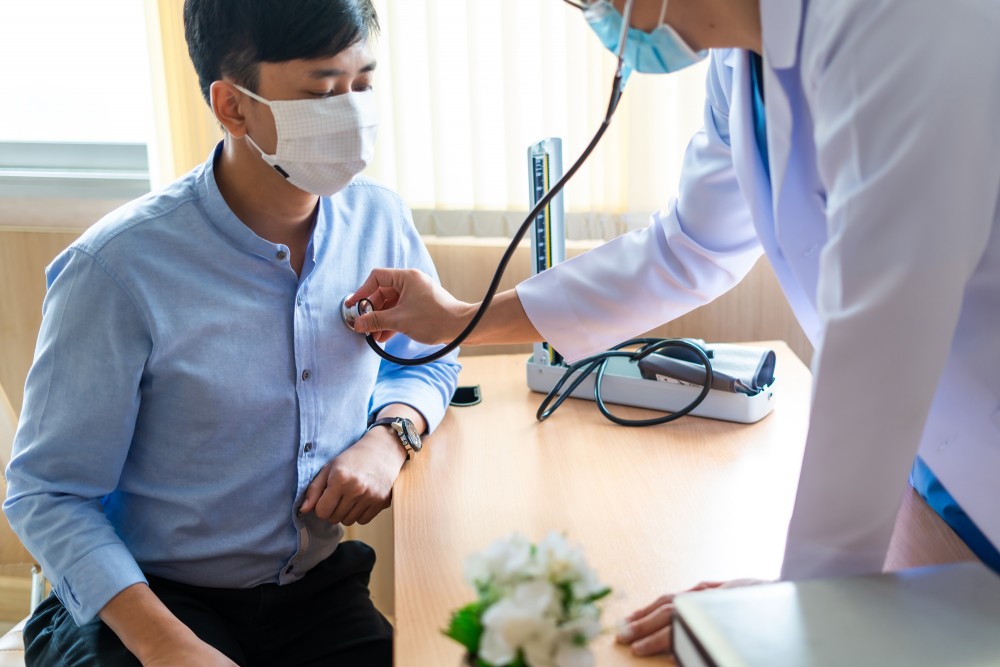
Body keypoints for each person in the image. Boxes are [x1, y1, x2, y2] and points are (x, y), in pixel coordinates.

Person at [346, 0, 1000, 657]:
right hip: (938, 462)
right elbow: (691, 246)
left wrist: (799, 606)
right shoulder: (740, 64)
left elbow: (879, 343)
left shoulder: (905, 24)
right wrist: (461, 320)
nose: (597, 14)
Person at [3, 0, 460, 665]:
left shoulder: (378, 220)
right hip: (148, 599)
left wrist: (389, 436)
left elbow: (428, 360)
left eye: (364, 84)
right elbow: (48, 493)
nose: (355, 111)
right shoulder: (116, 271)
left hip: (311, 594)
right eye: (325, 90)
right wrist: (168, 645)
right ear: (233, 106)